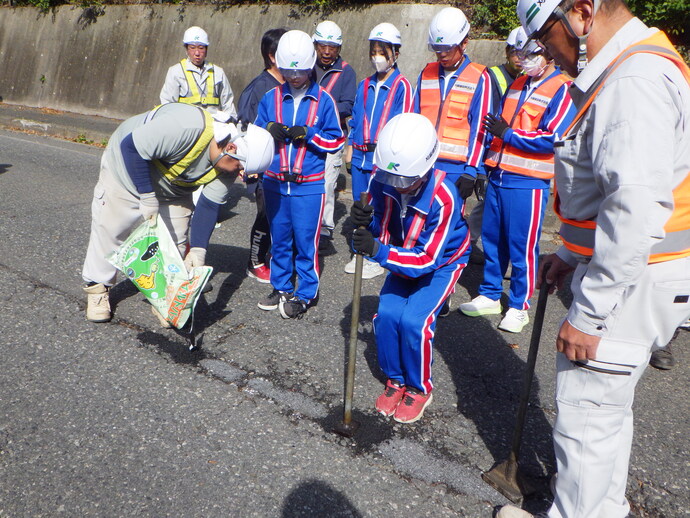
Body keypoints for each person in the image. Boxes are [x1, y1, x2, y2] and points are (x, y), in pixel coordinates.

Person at [497, 0, 690, 517]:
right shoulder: (635, 67)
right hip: (644, 273)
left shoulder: (634, 82)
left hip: (633, 280)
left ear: (581, 12)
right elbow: (608, 191)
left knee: (585, 415)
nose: (548, 55)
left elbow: (634, 207)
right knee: (605, 413)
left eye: (546, 37)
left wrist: (591, 311)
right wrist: (570, 253)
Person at [82, 103, 274, 325]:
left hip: (174, 189)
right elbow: (131, 148)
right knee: (111, 229)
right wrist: (146, 195)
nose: (241, 175)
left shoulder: (227, 166)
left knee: (174, 245)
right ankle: (97, 289)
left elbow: (209, 205)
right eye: (241, 167)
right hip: (126, 169)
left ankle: (165, 299)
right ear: (230, 148)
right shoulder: (186, 127)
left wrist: (199, 251)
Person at [350, 113, 470, 424]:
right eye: (392, 179)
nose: (397, 186)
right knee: (387, 315)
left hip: (440, 263)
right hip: (401, 254)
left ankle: (418, 388)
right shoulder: (384, 179)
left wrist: (378, 250)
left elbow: (427, 260)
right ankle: (396, 379)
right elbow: (379, 227)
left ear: (427, 166)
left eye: (405, 180)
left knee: (415, 322)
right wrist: (364, 223)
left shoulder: (445, 197)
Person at [459, 30, 575, 333]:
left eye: (531, 55)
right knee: (493, 239)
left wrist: (508, 134)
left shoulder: (562, 88)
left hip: (528, 182)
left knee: (522, 246)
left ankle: (519, 306)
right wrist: (486, 166)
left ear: (549, 55)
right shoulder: (519, 83)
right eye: (521, 55)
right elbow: (496, 124)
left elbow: (554, 137)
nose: (524, 61)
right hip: (499, 175)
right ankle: (489, 294)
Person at [254, 30, 345, 319]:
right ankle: (280, 286)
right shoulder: (270, 98)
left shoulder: (324, 100)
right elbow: (254, 133)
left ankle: (306, 292)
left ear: (310, 68)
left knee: (306, 241)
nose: (294, 77)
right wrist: (268, 129)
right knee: (280, 238)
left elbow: (336, 140)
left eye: (300, 72)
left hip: (308, 185)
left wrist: (310, 135)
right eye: (288, 72)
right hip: (275, 183)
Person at [343, 22, 413, 280]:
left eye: (383, 51)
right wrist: (350, 150)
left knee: (381, 207)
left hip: (382, 160)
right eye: (374, 51)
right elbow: (356, 118)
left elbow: (401, 123)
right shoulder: (364, 85)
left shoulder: (402, 86)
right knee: (360, 203)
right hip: (361, 155)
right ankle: (359, 247)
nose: (378, 57)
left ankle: (376, 252)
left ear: (396, 53)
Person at [414, 7, 493, 203]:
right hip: (423, 165)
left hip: (456, 171)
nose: (441, 54)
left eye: (447, 49)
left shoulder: (479, 77)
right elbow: (413, 117)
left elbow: (480, 129)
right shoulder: (426, 73)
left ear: (464, 43)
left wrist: (472, 170)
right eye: (437, 49)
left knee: (448, 227)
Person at [466, 26, 524, 265]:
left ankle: (470, 244)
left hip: (514, 151)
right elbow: (484, 119)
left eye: (524, 53)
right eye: (515, 53)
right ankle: (466, 244)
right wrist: (479, 166)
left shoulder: (529, 80)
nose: (520, 58)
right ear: (507, 52)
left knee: (492, 208)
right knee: (489, 205)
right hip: (493, 151)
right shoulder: (493, 77)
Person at [236, 28, 287, 285]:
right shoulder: (259, 88)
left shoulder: (290, 84)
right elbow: (244, 128)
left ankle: (273, 257)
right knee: (265, 214)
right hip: (262, 167)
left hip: (284, 165)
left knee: (281, 215)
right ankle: (254, 262)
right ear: (272, 56)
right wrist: (248, 165)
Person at [311, 21, 357, 245]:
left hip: (332, 136)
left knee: (328, 183)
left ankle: (325, 228)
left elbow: (348, 105)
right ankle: (307, 222)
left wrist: (322, 110)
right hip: (307, 135)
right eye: (322, 46)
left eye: (332, 47)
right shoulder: (306, 66)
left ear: (339, 48)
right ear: (315, 44)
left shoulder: (346, 71)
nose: (327, 51)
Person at [160, 26, 237, 120]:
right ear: (186, 49)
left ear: (206, 49)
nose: (197, 53)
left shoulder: (218, 72)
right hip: (186, 126)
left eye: (201, 48)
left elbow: (228, 103)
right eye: (192, 48)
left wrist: (232, 122)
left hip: (214, 126)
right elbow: (167, 104)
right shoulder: (176, 72)